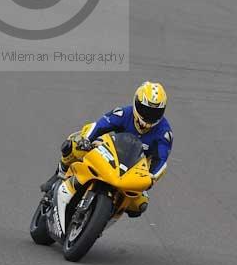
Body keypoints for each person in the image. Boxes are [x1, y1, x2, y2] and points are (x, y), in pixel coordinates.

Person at [41, 81, 173, 217]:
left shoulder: (164, 133)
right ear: (136, 103)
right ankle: (59, 175)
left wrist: (151, 177)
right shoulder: (123, 113)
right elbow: (100, 125)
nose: (149, 115)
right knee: (73, 145)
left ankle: (106, 215)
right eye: (145, 109)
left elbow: (161, 160)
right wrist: (86, 140)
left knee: (140, 204)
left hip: (133, 168)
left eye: (155, 112)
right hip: (107, 150)